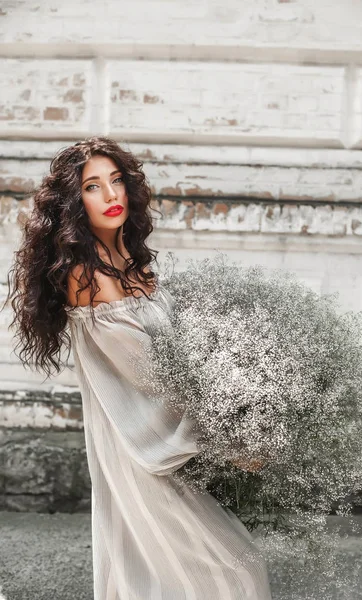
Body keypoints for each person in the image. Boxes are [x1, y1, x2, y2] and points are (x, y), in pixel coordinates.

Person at [5, 136, 273, 599]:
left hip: (165, 429)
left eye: (116, 181)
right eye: (93, 187)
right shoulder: (86, 278)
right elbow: (150, 374)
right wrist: (225, 435)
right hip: (140, 441)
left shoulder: (131, 260)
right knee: (231, 576)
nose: (111, 196)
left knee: (190, 577)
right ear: (73, 203)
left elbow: (175, 352)